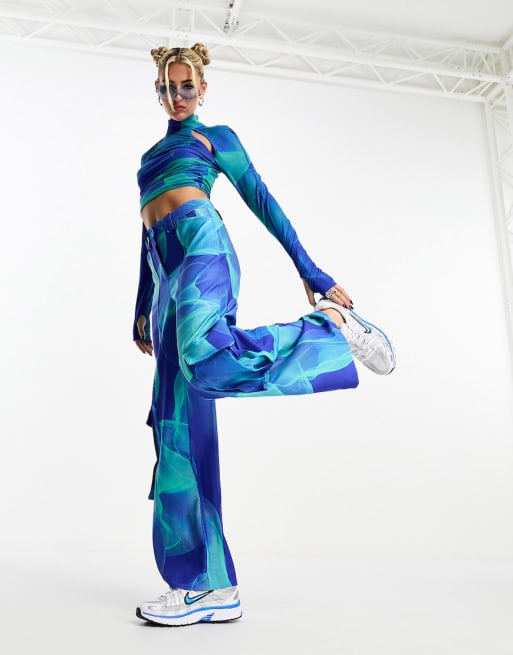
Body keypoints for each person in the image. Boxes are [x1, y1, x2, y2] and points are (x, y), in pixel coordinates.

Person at [133, 42, 395, 627]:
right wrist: (143, 303)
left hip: (201, 248)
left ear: (203, 89)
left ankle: (330, 329)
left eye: (187, 86)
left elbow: (262, 201)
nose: (177, 96)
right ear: (157, 91)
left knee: (205, 362)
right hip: (166, 274)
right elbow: (145, 231)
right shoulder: (149, 156)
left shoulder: (214, 138)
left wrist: (312, 271)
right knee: (177, 426)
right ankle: (208, 586)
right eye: (168, 88)